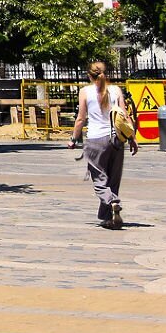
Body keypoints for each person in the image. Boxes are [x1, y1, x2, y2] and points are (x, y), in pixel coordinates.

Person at [69, 60, 136, 229]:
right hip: (116, 139)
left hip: (95, 140)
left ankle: (112, 201)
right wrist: (132, 138)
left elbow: (81, 119)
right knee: (113, 179)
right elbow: (125, 115)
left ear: (89, 76)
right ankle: (109, 217)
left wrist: (73, 138)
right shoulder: (116, 90)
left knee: (99, 180)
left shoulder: (85, 92)